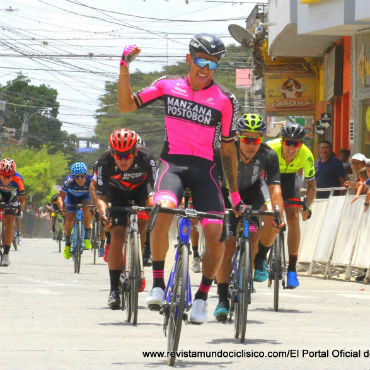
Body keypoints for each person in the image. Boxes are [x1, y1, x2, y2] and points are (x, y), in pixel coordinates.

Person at [117, 33, 241, 324]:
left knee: (215, 232)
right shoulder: (167, 86)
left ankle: (201, 299)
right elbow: (126, 105)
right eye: (200, 60)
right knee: (163, 208)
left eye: (213, 64)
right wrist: (124, 67)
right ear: (189, 59)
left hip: (206, 171)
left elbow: (227, 151)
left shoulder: (225, 100)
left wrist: (234, 196)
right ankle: (158, 283)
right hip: (172, 165)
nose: (205, 68)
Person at [213, 113, 285, 321]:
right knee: (227, 246)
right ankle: (223, 298)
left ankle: (257, 259)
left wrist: (277, 212)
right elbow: (213, 183)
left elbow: (275, 189)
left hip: (253, 192)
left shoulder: (268, 155)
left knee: (258, 233)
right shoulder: (225, 152)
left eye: (257, 139)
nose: (252, 144)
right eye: (247, 139)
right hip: (226, 195)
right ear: (237, 137)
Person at [90, 128, 156, 310]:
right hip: (116, 194)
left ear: (135, 152)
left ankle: (139, 264)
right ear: (112, 153)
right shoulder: (104, 162)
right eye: (118, 156)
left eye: (127, 155)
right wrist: (103, 213)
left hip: (141, 192)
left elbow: (152, 192)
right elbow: (101, 195)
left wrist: (152, 212)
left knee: (143, 226)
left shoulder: (147, 158)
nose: (123, 159)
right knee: (117, 234)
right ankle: (114, 291)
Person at [267, 123, 316, 288]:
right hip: (269, 177)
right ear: (282, 141)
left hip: (289, 179)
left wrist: (307, 206)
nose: (292, 147)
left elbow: (311, 187)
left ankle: (292, 269)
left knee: (293, 216)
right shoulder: (270, 148)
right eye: (288, 142)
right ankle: (259, 254)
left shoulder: (306, 155)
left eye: (296, 144)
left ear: (301, 144)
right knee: (268, 213)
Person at [56, 162, 94, 259]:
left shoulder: (91, 180)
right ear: (73, 177)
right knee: (69, 219)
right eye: (77, 177)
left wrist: (96, 205)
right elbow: (60, 197)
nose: (80, 179)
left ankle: (87, 238)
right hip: (71, 198)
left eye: (82, 176)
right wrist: (61, 208)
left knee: (87, 210)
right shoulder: (68, 181)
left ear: (85, 175)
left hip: (85, 197)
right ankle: (68, 244)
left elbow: (96, 194)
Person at [0, 158, 26, 266]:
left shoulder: (18, 179)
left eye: (8, 177)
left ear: (13, 175)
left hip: (12, 198)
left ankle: (6, 253)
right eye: (3, 176)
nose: (5, 180)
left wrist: (19, 210)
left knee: (10, 221)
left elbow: (22, 199)